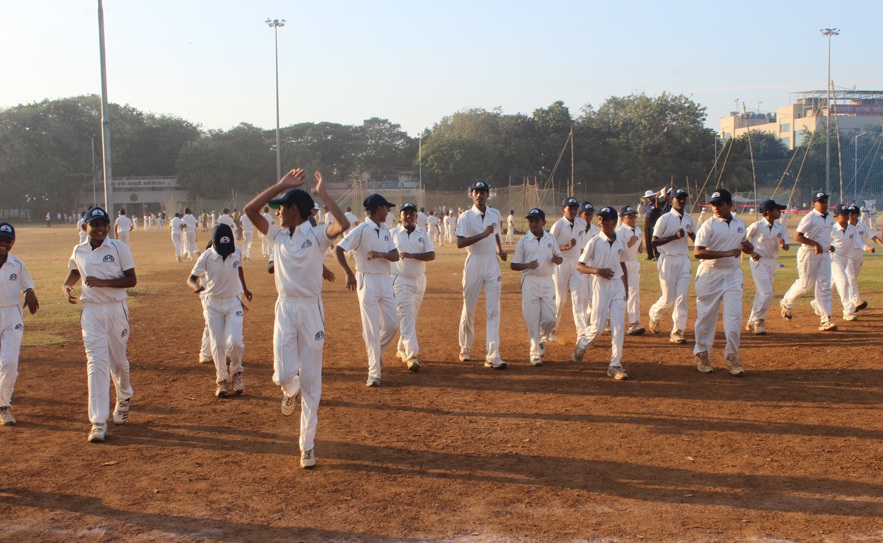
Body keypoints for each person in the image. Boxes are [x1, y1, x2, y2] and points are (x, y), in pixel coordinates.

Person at [244, 168, 348, 469]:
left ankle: (307, 446)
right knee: (283, 372)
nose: (276, 214)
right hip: (285, 308)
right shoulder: (276, 235)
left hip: (311, 310)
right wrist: (279, 185)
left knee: (313, 383)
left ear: (294, 210)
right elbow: (250, 210)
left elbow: (341, 224)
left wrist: (323, 194)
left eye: (281, 208)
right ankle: (290, 391)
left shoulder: (316, 236)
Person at [63, 206, 137, 443]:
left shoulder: (119, 247)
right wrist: (66, 286)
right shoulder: (79, 250)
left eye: (104, 224)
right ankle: (97, 422)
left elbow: (131, 280)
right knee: (96, 363)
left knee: (118, 362)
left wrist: (102, 282)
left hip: (116, 310)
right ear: (85, 227)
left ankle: (124, 396)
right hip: (91, 313)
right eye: (95, 225)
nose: (100, 229)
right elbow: (75, 271)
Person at [335, 194, 399, 387]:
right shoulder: (361, 230)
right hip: (366, 280)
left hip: (385, 281)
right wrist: (348, 273)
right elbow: (339, 249)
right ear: (378, 208)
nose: (388, 212)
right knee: (371, 329)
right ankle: (374, 373)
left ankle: (375, 353)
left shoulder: (385, 230)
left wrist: (380, 254)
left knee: (392, 325)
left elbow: (395, 255)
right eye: (386, 208)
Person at [692, 189, 753, 375]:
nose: (715, 208)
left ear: (730, 205)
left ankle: (732, 357)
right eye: (713, 204)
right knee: (706, 317)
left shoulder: (740, 224)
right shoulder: (708, 225)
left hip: (733, 274)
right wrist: (726, 253)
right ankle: (702, 354)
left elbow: (744, 244)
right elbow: (698, 252)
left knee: (734, 318)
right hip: (710, 274)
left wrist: (749, 248)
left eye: (720, 204)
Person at [187, 224, 252, 397]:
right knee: (218, 345)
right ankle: (222, 380)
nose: (226, 253)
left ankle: (237, 373)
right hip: (213, 305)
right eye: (222, 249)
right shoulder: (206, 257)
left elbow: (239, 268)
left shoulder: (236, 252)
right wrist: (196, 286)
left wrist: (245, 289)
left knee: (236, 342)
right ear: (214, 244)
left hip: (233, 303)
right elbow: (191, 278)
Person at [572, 206, 629, 380]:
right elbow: (579, 266)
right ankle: (582, 345)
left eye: (605, 219)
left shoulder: (621, 241)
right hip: (600, 286)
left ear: (614, 221)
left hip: (617, 286)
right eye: (600, 219)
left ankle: (615, 364)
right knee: (597, 328)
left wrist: (625, 288)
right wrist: (597, 271)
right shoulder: (595, 241)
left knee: (618, 327)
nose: (601, 222)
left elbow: (623, 264)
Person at [456, 182, 508, 369]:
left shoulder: (495, 214)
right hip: (474, 262)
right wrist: (482, 234)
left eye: (483, 192)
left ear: (488, 195)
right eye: (476, 192)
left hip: (492, 263)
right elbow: (460, 243)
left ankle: (492, 355)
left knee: (494, 310)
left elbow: (495, 235)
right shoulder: (466, 216)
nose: (480, 195)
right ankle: (466, 347)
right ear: (471, 195)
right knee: (469, 308)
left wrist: (500, 250)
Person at [511, 208, 562, 366]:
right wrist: (527, 265)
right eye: (530, 221)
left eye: (536, 220)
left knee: (550, 319)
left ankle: (542, 338)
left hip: (547, 281)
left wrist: (556, 259)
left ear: (543, 223)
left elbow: (559, 257)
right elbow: (513, 265)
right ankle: (534, 353)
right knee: (532, 319)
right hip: (530, 281)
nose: (533, 223)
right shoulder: (524, 241)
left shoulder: (550, 238)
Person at [0, 223, 40, 426]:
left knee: (9, 363)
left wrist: (30, 292)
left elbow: (28, 284)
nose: (3, 244)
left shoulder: (17, 264)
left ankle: (3, 407)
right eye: (1, 239)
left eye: (8, 240)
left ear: (12, 243)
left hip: (12, 316)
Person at [780, 192, 837, 331]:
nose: (824, 204)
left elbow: (824, 235)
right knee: (805, 285)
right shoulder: (810, 217)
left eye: (825, 201)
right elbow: (797, 237)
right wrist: (815, 243)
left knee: (824, 286)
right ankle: (786, 303)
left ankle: (826, 320)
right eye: (821, 202)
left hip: (823, 254)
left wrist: (827, 245)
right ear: (813, 204)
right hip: (808, 253)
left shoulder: (829, 217)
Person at [391, 202, 435, 371]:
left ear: (417, 217)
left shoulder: (423, 234)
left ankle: (401, 349)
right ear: (399, 216)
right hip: (400, 281)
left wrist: (411, 255)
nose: (408, 216)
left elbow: (431, 255)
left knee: (410, 318)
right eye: (405, 213)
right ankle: (412, 355)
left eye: (412, 213)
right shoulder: (393, 233)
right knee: (407, 316)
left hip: (419, 281)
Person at [648, 188, 696, 344]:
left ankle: (677, 331)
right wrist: (674, 237)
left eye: (683, 198)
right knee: (668, 298)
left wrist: (694, 237)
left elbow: (696, 239)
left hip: (683, 260)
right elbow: (654, 241)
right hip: (667, 259)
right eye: (678, 198)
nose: (681, 201)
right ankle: (654, 314)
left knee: (681, 298)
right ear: (670, 201)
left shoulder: (689, 219)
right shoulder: (665, 219)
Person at [745, 199, 790, 335]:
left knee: (762, 293)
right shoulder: (757, 226)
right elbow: (742, 240)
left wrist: (783, 245)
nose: (780, 212)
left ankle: (751, 320)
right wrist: (752, 253)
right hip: (758, 260)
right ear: (769, 212)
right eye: (777, 210)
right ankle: (759, 320)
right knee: (767, 292)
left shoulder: (780, 227)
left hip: (771, 261)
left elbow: (787, 246)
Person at [549, 197, 588, 343]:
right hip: (561, 264)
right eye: (569, 208)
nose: (572, 211)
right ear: (562, 209)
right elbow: (550, 245)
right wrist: (566, 247)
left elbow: (582, 243)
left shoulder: (581, 224)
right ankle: (552, 328)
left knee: (578, 298)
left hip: (576, 264)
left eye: (574, 208)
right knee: (560, 300)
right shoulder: (558, 226)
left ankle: (581, 333)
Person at [829, 205, 863, 322]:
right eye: (843, 214)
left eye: (847, 213)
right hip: (835, 259)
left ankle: (818, 303)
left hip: (846, 258)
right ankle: (848, 311)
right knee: (844, 282)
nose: (847, 216)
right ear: (837, 216)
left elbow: (859, 242)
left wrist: (866, 247)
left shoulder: (852, 229)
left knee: (833, 284)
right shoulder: (832, 229)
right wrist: (829, 247)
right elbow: (825, 242)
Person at [615, 205, 645, 335]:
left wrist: (639, 246)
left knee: (634, 293)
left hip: (634, 264)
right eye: (629, 217)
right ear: (622, 218)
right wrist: (631, 244)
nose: (633, 219)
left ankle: (634, 323)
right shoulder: (619, 232)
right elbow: (617, 251)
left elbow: (639, 242)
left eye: (634, 216)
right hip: (621, 265)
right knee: (618, 293)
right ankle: (609, 320)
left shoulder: (637, 229)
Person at [847, 205, 883, 312]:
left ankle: (817, 302)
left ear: (857, 215)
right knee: (851, 278)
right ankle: (855, 302)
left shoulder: (863, 226)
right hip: (847, 255)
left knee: (839, 281)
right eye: (848, 213)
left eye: (852, 213)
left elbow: (874, 237)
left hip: (858, 255)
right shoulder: (845, 226)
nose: (849, 215)